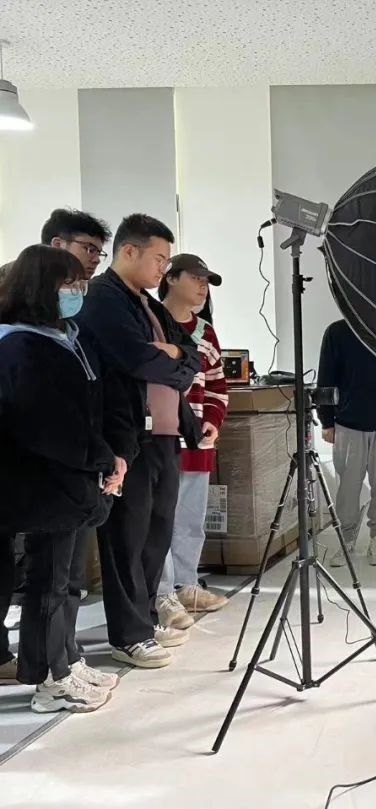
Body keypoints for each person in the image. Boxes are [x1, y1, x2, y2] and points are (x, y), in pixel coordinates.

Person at [0, 245, 127, 712]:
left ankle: (66, 659)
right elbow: (48, 425)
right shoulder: (19, 345)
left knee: (64, 582)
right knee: (48, 582)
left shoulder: (62, 336)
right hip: (44, 483)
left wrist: (108, 456)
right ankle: (51, 680)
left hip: (70, 480)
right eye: (68, 284)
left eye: (80, 284)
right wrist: (100, 458)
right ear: (40, 287)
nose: (77, 292)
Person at [76, 214, 202, 669]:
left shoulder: (148, 304)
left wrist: (174, 354)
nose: (162, 269)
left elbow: (191, 359)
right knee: (127, 537)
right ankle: (128, 635)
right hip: (130, 435)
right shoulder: (103, 298)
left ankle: (146, 618)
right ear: (129, 251)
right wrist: (169, 360)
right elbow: (135, 359)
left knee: (157, 533)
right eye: (159, 259)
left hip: (165, 435)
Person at [154, 255, 231, 629]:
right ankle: (161, 594)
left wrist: (212, 422)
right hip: (159, 439)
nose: (202, 287)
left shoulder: (205, 332)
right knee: (158, 521)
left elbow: (217, 385)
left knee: (189, 520)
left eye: (206, 282)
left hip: (197, 441)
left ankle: (186, 584)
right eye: (196, 279)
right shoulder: (150, 321)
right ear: (170, 278)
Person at [317, 320, 376, 567]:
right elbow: (326, 378)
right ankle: (346, 539)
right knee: (348, 489)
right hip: (348, 422)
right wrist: (326, 421)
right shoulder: (337, 332)